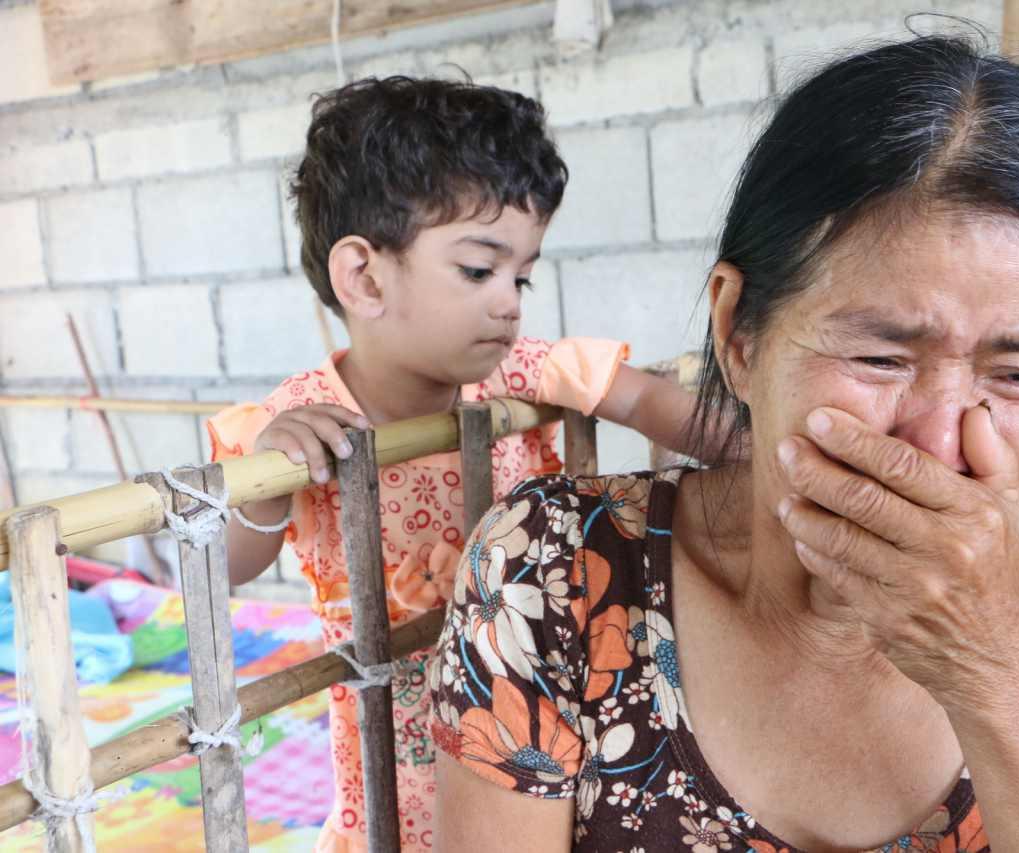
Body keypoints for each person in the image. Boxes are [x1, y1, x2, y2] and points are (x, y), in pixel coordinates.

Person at [427, 36, 1019, 852]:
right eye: (881, 358)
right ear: (739, 334)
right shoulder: (554, 571)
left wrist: (997, 665)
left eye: (1018, 373)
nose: (941, 442)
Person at [206, 76, 700, 851]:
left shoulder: (519, 375)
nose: (510, 302)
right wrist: (268, 485)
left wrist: (763, 446)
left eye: (521, 275)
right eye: (479, 270)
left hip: (538, 711)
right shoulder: (300, 418)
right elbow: (227, 565)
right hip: (393, 736)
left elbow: (645, 400)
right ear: (364, 277)